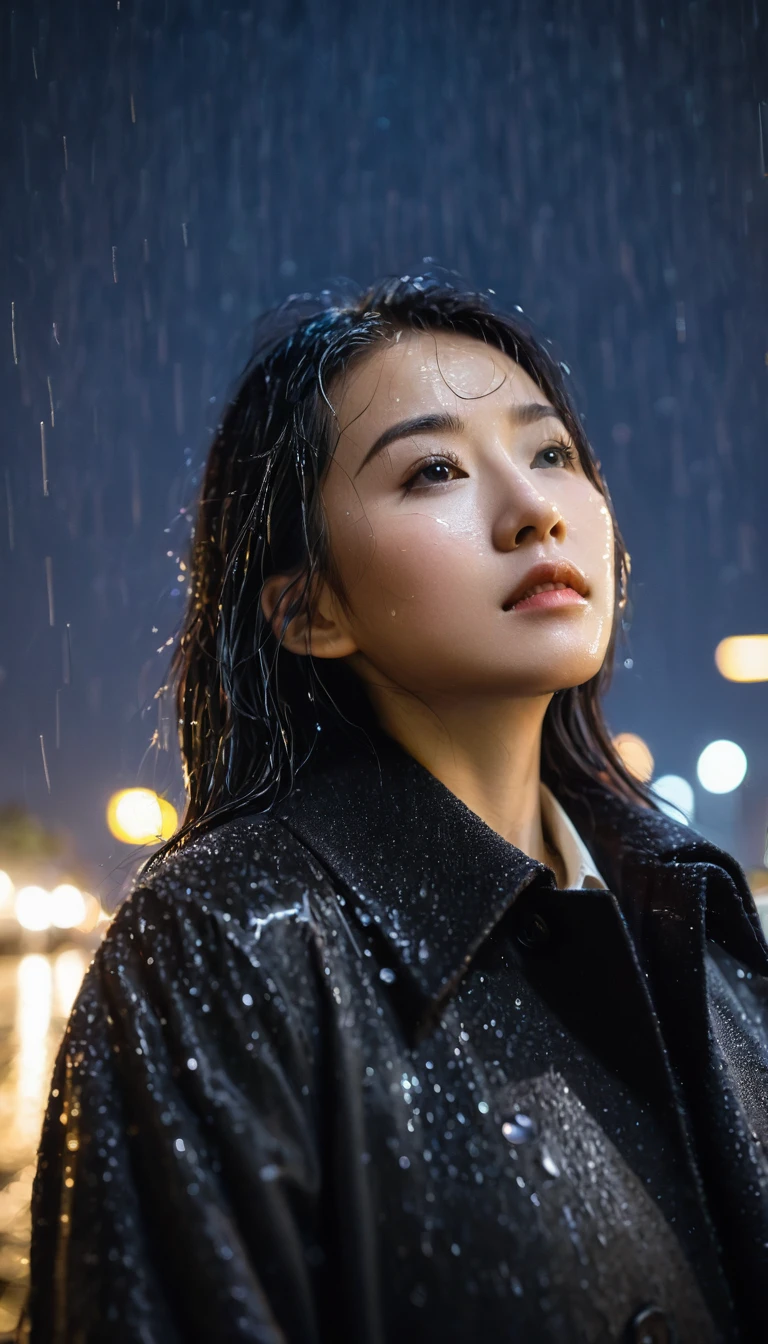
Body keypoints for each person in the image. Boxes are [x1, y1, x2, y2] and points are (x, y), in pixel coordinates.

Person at [19, 274, 768, 1344]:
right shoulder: (224, 943)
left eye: (550, 452)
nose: (535, 509)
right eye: (435, 471)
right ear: (308, 608)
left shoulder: (698, 920)